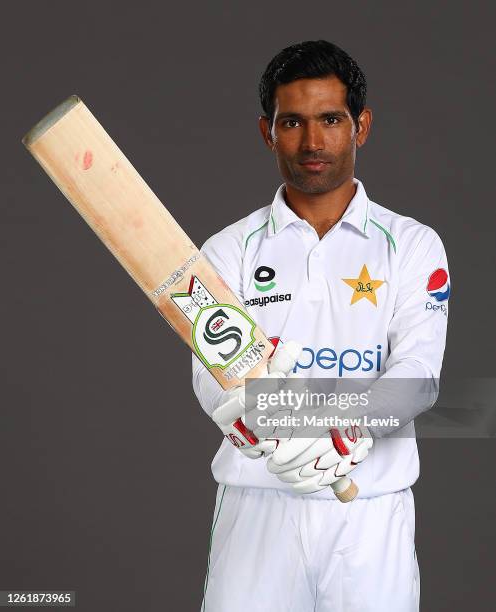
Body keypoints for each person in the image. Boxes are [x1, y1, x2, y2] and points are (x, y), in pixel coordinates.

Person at [192, 40, 449, 612]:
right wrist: (289, 432)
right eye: (294, 123)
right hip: (257, 509)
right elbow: (216, 383)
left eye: (331, 119)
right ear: (268, 131)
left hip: (371, 512)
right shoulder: (228, 250)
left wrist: (330, 427)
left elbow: (417, 379)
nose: (313, 142)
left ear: (361, 125)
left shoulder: (411, 245)